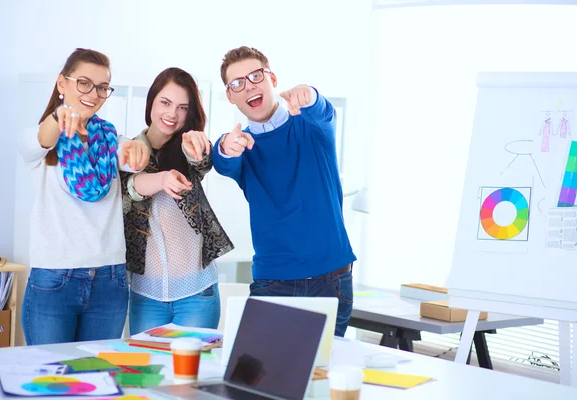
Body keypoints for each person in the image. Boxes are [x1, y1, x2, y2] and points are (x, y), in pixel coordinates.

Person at [212, 46, 356, 336]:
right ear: (230, 96)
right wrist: (225, 146)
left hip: (329, 278)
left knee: (319, 374)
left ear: (272, 79)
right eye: (237, 83)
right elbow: (223, 161)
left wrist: (310, 94)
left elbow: (323, 111)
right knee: (257, 373)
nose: (248, 86)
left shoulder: (310, 125)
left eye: (255, 76)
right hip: (272, 281)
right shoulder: (242, 144)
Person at [19, 48, 150, 345]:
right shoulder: (37, 139)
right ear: (62, 84)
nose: (94, 93)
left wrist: (137, 147)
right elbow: (44, 137)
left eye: (103, 87)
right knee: (50, 381)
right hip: (54, 277)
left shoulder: (110, 138)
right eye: (84, 83)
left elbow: (133, 157)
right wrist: (59, 116)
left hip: (110, 278)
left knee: (98, 380)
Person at [121, 67, 234, 335]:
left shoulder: (189, 147)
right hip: (145, 296)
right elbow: (130, 190)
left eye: (183, 107)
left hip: (197, 294)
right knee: (149, 376)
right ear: (151, 101)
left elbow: (201, 162)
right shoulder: (127, 151)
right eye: (165, 103)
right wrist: (160, 179)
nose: (172, 114)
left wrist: (197, 144)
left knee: (192, 377)